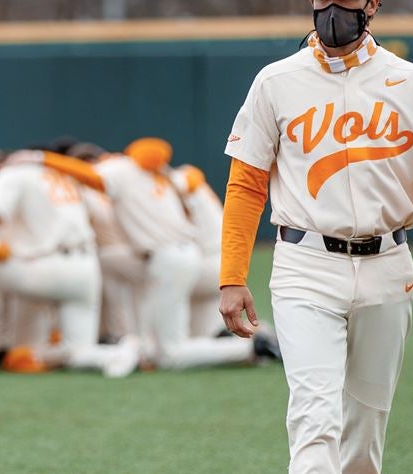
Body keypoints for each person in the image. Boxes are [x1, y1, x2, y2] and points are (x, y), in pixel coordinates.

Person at [218, 0, 413, 474]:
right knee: (313, 416)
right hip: (305, 263)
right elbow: (244, 185)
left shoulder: (410, 81)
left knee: (364, 429)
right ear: (310, 3)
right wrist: (232, 276)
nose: (333, 8)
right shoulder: (277, 82)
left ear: (373, 4)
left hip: (388, 264)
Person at [29, 139, 278, 370]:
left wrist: (42, 158)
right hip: (187, 256)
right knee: (185, 334)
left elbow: (90, 176)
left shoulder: (120, 169)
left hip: (172, 259)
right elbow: (190, 177)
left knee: (170, 355)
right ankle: (143, 341)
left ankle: (250, 347)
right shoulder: (157, 175)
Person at [0, 152, 140, 377]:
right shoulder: (62, 175)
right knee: (76, 351)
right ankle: (116, 352)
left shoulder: (12, 174)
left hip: (46, 267)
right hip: (86, 266)